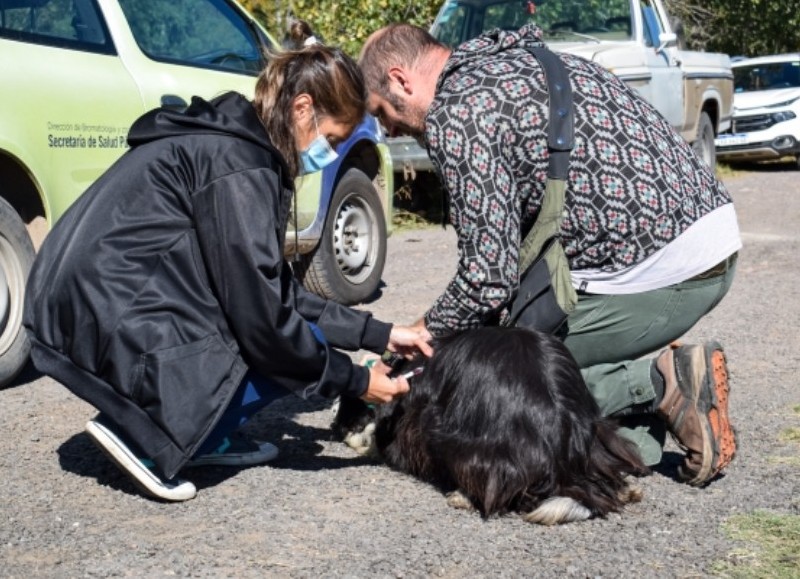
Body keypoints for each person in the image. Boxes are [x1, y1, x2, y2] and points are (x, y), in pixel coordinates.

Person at [23, 44, 432, 502]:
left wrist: (380, 334)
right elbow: (265, 322)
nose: (330, 153)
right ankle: (145, 435)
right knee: (287, 349)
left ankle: (198, 434)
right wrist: (357, 381)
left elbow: (276, 290)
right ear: (303, 109)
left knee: (293, 340)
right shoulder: (239, 165)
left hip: (87, 299)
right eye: (334, 140)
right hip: (107, 307)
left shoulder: (241, 145)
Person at [358, 23, 740, 486]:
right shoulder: (520, 62)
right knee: (517, 363)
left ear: (401, 79)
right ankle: (635, 434)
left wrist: (420, 336)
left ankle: (661, 383)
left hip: (669, 272)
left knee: (502, 384)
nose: (389, 127)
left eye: (383, 111)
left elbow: (487, 278)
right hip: (709, 238)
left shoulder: (458, 111)